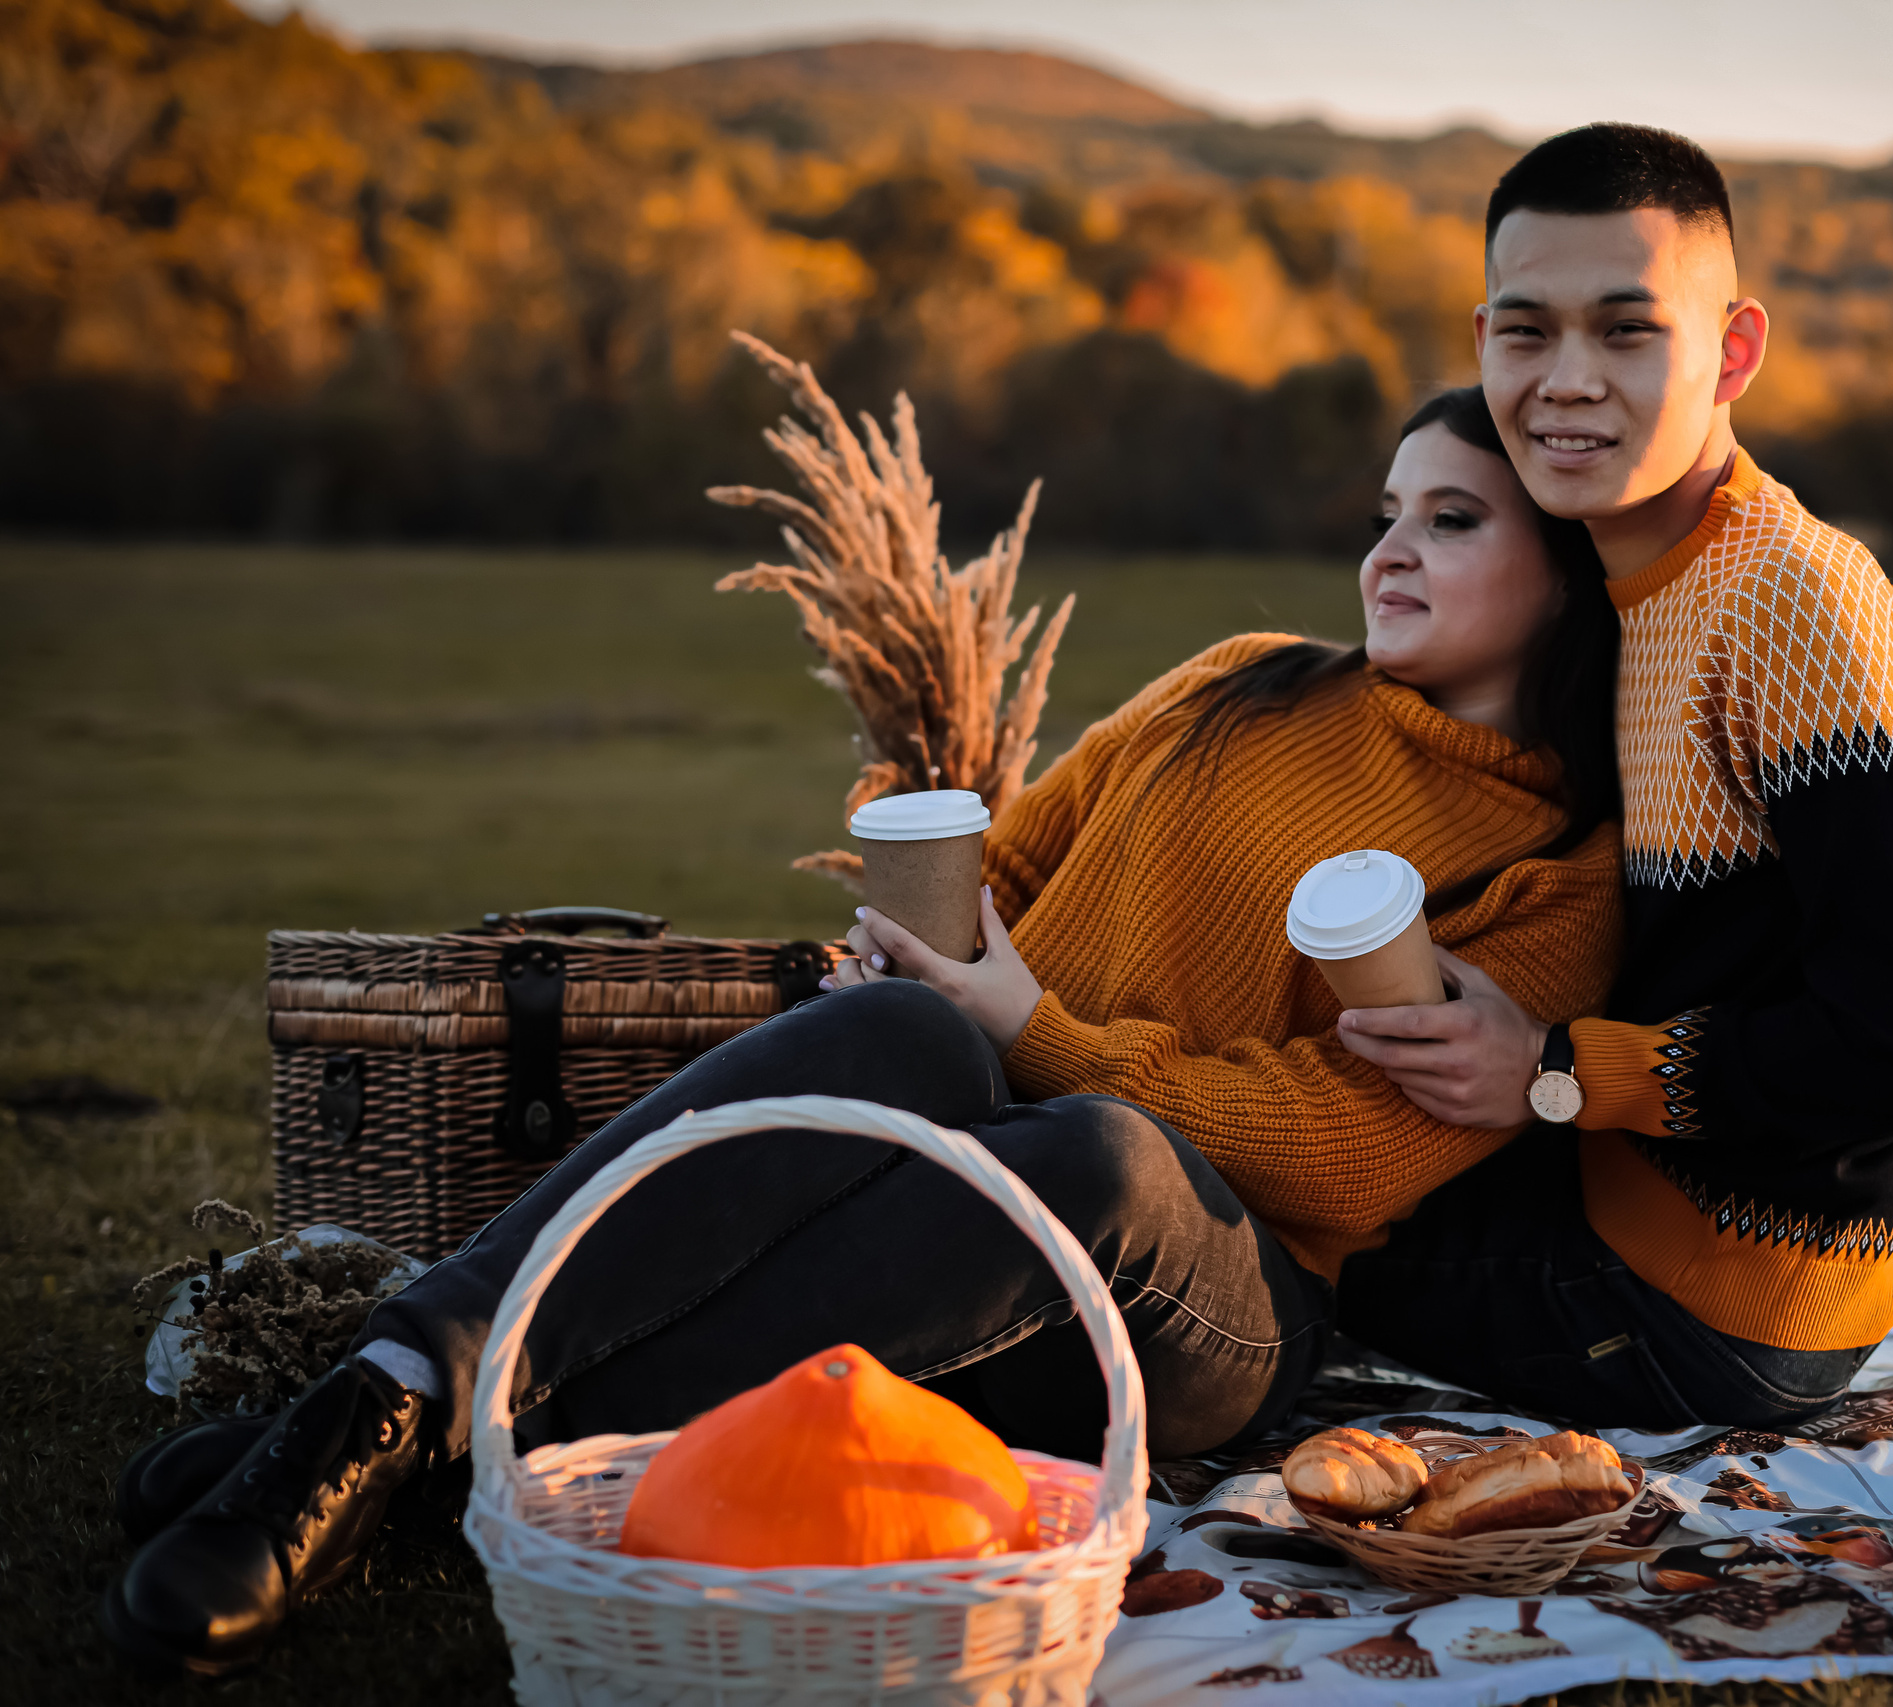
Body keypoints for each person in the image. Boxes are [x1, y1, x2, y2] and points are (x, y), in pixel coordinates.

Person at [99, 386, 1625, 1677]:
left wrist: (1030, 1025)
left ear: (1566, 574)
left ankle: (457, 1450)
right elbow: (1007, 868)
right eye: (1386, 511)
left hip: (1217, 1295)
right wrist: (914, 962)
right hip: (984, 1189)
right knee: (909, 1037)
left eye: (1452, 520)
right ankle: (381, 1403)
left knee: (1096, 1146)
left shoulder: (1556, 867)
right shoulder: (1238, 685)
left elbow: (1358, 1160)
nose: (1390, 551)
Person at [1335, 124, 1893, 1430]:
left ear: (1734, 351)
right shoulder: (1627, 575)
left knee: (1256, 1239)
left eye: (1627, 332)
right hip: (1636, 1203)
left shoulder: (1795, 607)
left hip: (1719, 1299)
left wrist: (1559, 1072)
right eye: (1526, 335)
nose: (1567, 381)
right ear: (1480, 345)